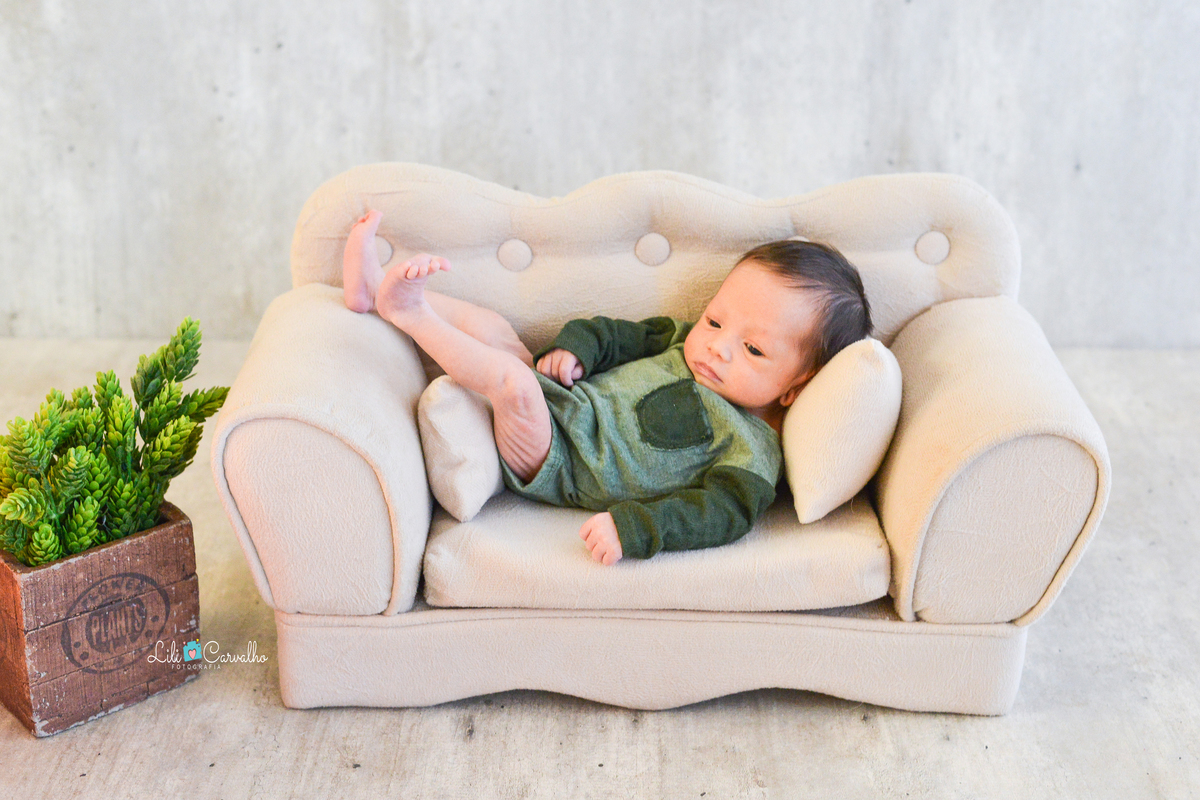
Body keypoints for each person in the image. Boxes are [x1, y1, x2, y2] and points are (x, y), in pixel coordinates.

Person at [342, 210, 871, 566]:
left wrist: (633, 528)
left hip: (558, 461)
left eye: (753, 349)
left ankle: (410, 313)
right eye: (715, 321)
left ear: (794, 388)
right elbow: (612, 333)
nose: (718, 347)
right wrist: (577, 351)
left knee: (514, 385)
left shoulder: (751, 454)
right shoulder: (680, 338)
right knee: (494, 330)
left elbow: (714, 517)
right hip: (564, 400)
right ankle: (373, 290)